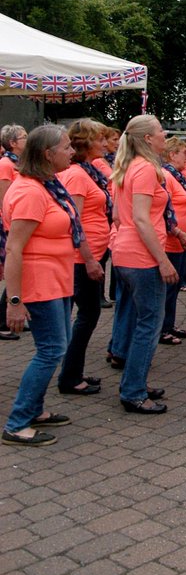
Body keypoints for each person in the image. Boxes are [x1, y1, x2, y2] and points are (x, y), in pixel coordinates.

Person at [2, 126, 81, 445]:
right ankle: (17, 422)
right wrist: (15, 300)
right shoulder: (31, 192)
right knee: (51, 350)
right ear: (47, 154)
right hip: (40, 283)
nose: (72, 152)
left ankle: (33, 410)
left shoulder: (47, 186)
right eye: (66, 147)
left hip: (56, 280)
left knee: (54, 348)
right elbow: (13, 248)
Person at [111, 115, 184, 414]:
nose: (164, 135)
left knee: (139, 321)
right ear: (147, 139)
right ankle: (134, 391)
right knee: (149, 325)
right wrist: (163, 260)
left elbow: (120, 214)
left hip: (127, 253)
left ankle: (135, 380)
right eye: (160, 132)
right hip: (141, 256)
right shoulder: (143, 170)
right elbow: (141, 218)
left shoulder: (129, 168)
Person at [56, 120, 112, 394]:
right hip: (82, 258)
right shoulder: (78, 175)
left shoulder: (87, 171)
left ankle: (73, 371)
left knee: (87, 315)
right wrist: (89, 259)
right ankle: (70, 377)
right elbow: (74, 221)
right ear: (87, 143)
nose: (105, 144)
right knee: (87, 314)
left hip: (91, 254)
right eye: (100, 139)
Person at [160, 137, 186, 345]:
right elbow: (166, 209)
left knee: (174, 287)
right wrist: (176, 231)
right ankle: (163, 327)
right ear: (172, 154)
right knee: (168, 287)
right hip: (171, 240)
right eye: (184, 153)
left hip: (180, 240)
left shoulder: (178, 176)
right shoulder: (167, 176)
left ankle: (169, 324)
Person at [0, 123, 28, 340]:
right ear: (12, 143)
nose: (27, 140)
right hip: (10, 225)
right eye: (24, 137)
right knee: (13, 269)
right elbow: (5, 198)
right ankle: (3, 320)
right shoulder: (5, 164)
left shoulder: (19, 164)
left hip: (16, 224)